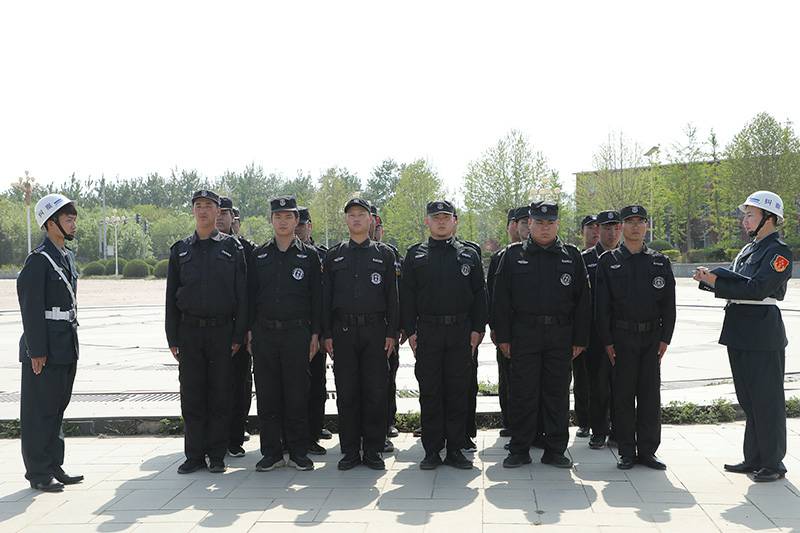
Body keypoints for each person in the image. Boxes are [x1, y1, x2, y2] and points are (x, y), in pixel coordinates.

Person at [694, 191, 791, 482]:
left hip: (762, 330)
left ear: (769, 218)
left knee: (767, 399)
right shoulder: (749, 249)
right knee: (748, 398)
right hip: (739, 328)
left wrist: (717, 281)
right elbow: (738, 281)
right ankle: (754, 458)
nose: (744, 220)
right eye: (745, 215)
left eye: (750, 215)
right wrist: (710, 281)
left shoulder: (778, 252)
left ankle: (773, 463)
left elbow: (758, 289)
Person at [494, 201, 591, 469]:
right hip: (524, 334)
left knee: (557, 394)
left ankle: (555, 450)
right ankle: (519, 449)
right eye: (539, 223)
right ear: (530, 224)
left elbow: (583, 301)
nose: (545, 228)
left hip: (560, 335)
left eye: (550, 223)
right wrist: (503, 337)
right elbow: (500, 300)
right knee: (522, 393)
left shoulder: (571, 256)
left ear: (557, 225)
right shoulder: (513, 255)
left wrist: (580, 339)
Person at [165, 190, 248, 474]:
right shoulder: (180, 250)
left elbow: (242, 295)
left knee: (220, 394)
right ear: (193, 211)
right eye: (198, 206)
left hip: (222, 332)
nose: (203, 211)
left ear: (218, 211)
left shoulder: (232, 248)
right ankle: (194, 455)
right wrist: (172, 337)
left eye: (209, 206)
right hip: (189, 332)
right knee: (192, 395)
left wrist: (238, 334)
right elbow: (171, 297)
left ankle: (216, 455)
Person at [402, 201, 488, 470]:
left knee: (457, 392)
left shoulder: (469, 254)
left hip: (460, 331)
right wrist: (411, 331)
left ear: (455, 221)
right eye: (435, 217)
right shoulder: (415, 255)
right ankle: (431, 450)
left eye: (446, 217)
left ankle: (455, 448)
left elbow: (480, 295)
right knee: (430, 392)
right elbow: (407, 296)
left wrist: (477, 330)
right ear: (427, 221)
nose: (441, 221)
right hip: (428, 332)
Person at [595, 205, 675, 471]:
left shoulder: (659, 262)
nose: (636, 226)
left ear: (646, 226)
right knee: (623, 396)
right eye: (630, 222)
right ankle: (627, 451)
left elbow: (669, 305)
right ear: (622, 227)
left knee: (650, 396)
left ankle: (648, 451)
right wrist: (607, 341)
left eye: (641, 221)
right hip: (622, 338)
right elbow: (601, 307)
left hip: (651, 338)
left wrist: (665, 339)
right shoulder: (608, 262)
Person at [322, 198, 399, 471]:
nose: (356, 218)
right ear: (346, 220)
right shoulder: (334, 255)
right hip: (343, 332)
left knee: (375, 392)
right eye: (351, 215)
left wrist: (391, 332)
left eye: (361, 214)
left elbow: (393, 297)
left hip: (375, 331)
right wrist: (326, 334)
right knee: (347, 392)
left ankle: (374, 450)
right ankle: (350, 451)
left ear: (371, 220)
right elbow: (325, 298)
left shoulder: (384, 254)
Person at [248, 196, 320, 472]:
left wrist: (315, 333)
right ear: (271, 220)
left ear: (296, 220)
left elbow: (317, 298)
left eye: (288, 216)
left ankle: (299, 451)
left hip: (297, 334)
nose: (283, 221)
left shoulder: (309, 256)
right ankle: (272, 452)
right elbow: (250, 297)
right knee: (268, 395)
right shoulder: (259, 255)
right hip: (265, 334)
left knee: (296, 395)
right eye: (278, 216)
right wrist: (249, 330)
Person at [17, 193, 83, 492]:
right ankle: (38, 472)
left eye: (73, 218)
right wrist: (37, 350)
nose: (73, 223)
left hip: (65, 343)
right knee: (38, 412)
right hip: (44, 348)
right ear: (50, 223)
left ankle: (55, 465)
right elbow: (30, 308)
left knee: (57, 408)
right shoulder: (38, 260)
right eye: (68, 219)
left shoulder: (66, 256)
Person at [216, 197, 254, 457]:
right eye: (216, 211)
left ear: (233, 217)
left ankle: (235, 436)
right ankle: (214, 438)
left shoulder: (247, 249)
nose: (219, 216)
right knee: (214, 385)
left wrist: (248, 329)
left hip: (239, 328)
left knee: (240, 385)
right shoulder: (197, 246)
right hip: (211, 330)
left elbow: (253, 292)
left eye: (225, 212)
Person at [581, 210, 622, 449]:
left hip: (622, 332)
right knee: (597, 385)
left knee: (622, 384)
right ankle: (598, 430)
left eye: (616, 228)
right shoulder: (585, 259)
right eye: (606, 228)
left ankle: (619, 430)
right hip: (594, 334)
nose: (611, 233)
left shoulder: (626, 257)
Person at [295, 206, 330, 455]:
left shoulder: (323, 255)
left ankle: (314, 432)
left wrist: (324, 332)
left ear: (310, 226)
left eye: (302, 224)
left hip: (315, 328)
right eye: (295, 224)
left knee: (316, 384)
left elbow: (327, 296)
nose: (298, 229)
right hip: (290, 330)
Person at [371, 207, 403, 452]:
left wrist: (399, 327)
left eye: (378, 226)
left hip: (387, 328)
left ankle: (387, 421)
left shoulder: (390, 253)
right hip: (363, 330)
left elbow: (399, 293)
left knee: (387, 379)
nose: (375, 230)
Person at [488, 208, 520, 437]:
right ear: (509, 227)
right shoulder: (500, 257)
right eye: (516, 223)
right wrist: (495, 327)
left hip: (532, 330)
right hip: (507, 330)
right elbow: (492, 295)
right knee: (507, 378)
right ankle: (510, 422)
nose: (521, 227)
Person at [571, 214, 600, 438]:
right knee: (582, 377)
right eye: (590, 227)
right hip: (583, 328)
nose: (596, 231)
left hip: (606, 329)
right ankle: (584, 421)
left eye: (599, 227)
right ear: (582, 231)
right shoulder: (578, 259)